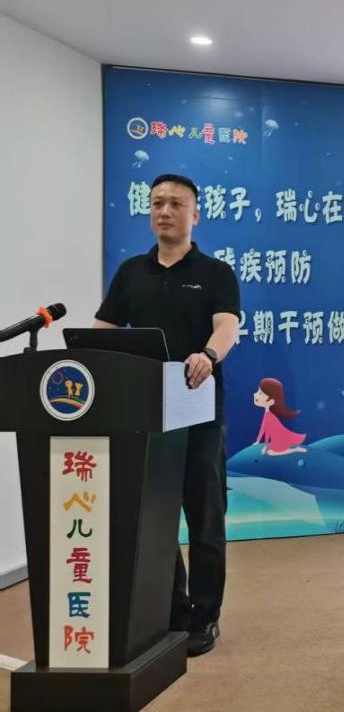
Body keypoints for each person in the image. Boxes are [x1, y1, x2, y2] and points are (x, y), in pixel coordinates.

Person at [95, 173, 240, 657]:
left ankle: (205, 614)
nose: (165, 211)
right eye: (157, 203)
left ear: (194, 214)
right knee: (154, 516)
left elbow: (227, 327)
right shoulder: (131, 272)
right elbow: (102, 330)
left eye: (176, 204)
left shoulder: (215, 272)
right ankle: (172, 607)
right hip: (145, 414)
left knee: (204, 517)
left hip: (198, 412)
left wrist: (208, 355)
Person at [253, 377, 307, 455]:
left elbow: (268, 431)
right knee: (270, 452)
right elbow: (264, 430)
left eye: (260, 393)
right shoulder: (267, 414)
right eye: (258, 392)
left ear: (271, 401)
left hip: (279, 440)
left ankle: (294, 450)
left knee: (271, 453)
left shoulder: (270, 417)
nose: (254, 394)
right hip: (275, 440)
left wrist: (265, 445)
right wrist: (261, 443)